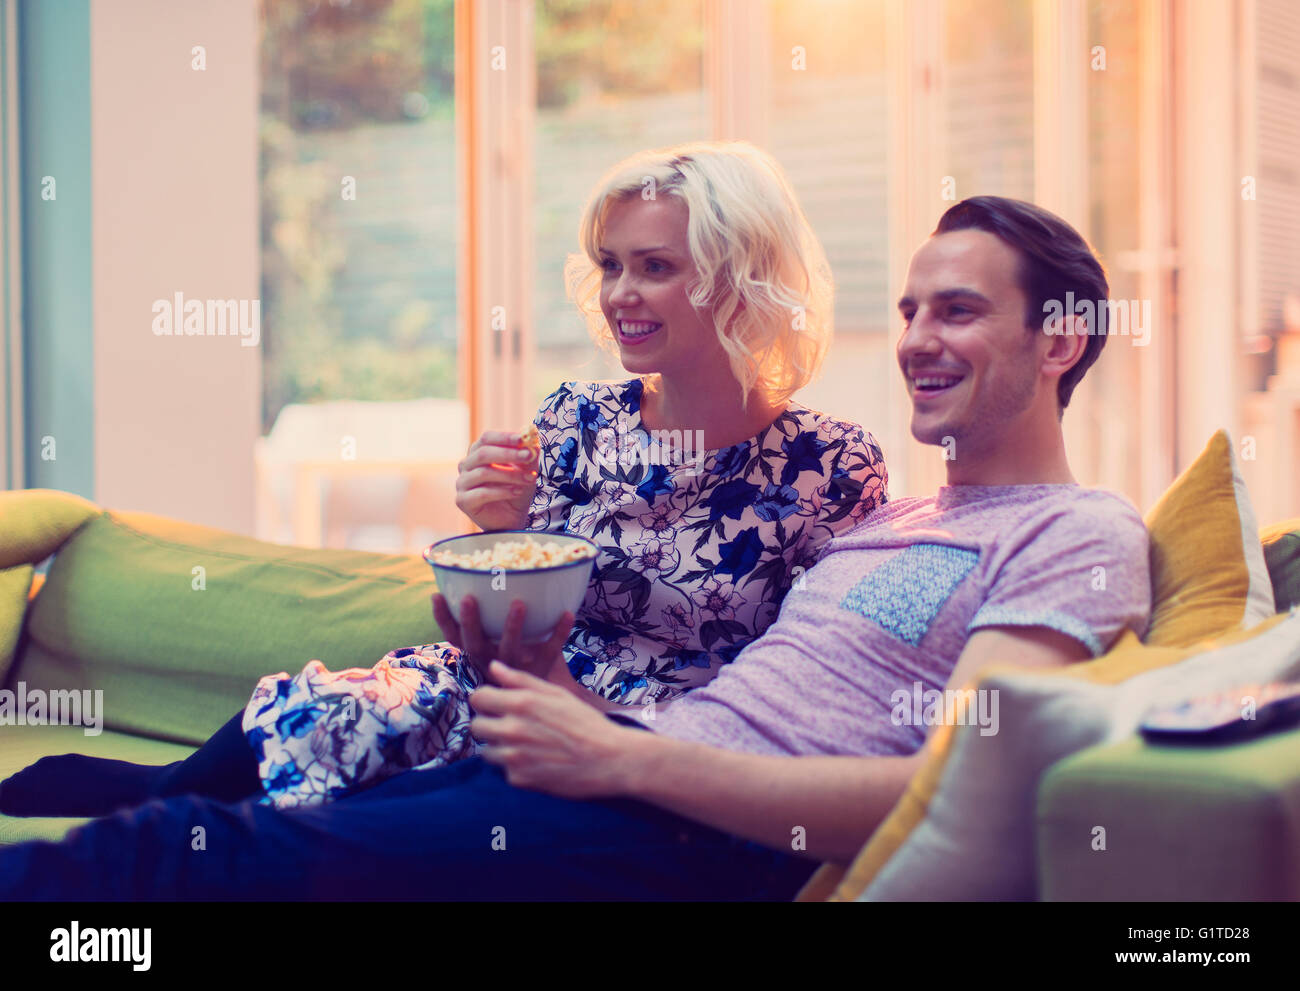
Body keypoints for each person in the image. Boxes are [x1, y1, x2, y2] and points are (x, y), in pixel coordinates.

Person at [0, 195, 1150, 901]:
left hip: (690, 834)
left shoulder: (1078, 531)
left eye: (955, 311)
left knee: (174, 863)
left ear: (1061, 340)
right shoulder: (893, 520)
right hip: (589, 764)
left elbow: (964, 788)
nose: (912, 341)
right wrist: (548, 683)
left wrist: (627, 761)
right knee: (208, 843)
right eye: (906, 311)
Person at [0, 141, 885, 815]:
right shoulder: (579, 417)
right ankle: (144, 795)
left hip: (641, 750)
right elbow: (503, 604)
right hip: (490, 694)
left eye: (655, 266)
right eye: (611, 264)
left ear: (738, 280)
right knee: (312, 721)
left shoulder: (832, 467)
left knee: (366, 821)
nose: (619, 291)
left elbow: (812, 671)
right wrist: (488, 526)